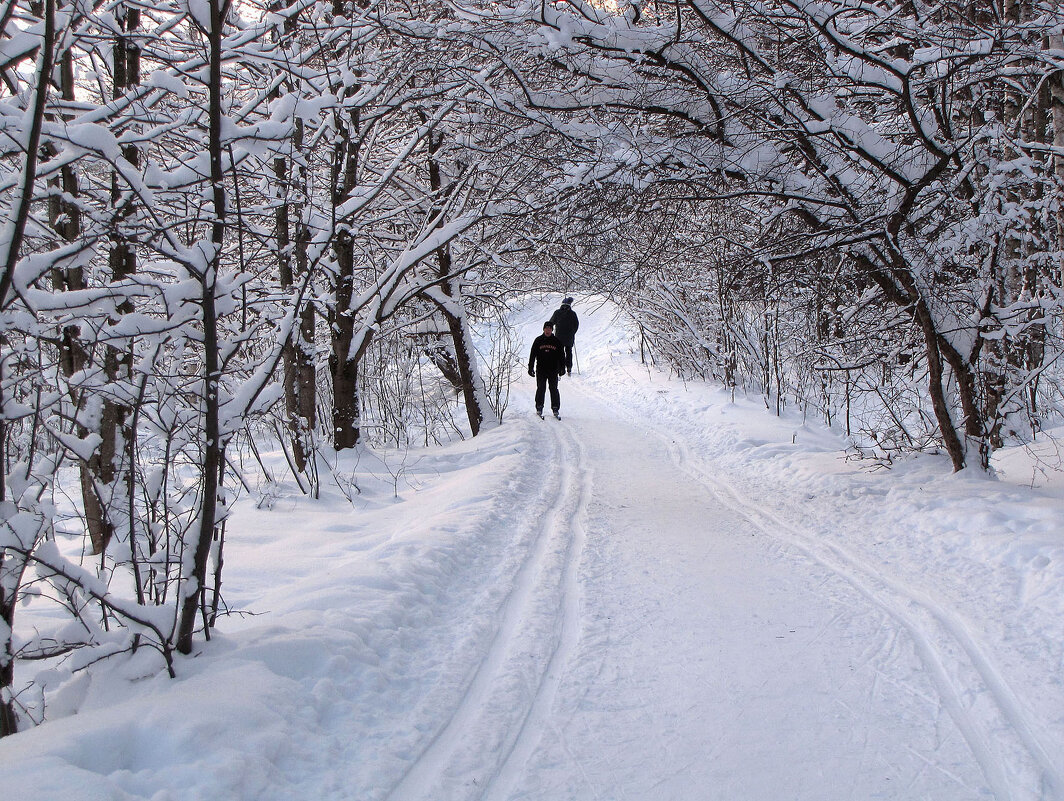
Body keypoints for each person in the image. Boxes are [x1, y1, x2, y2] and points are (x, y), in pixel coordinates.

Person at [528, 320, 565, 419]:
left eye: (549, 328)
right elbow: (532, 355)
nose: (548, 330)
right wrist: (530, 367)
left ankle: (555, 407)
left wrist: (562, 368)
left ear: (552, 330)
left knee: (553, 389)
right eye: (546, 328)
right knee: (541, 388)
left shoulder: (556, 341)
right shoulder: (538, 340)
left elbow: (562, 355)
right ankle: (539, 407)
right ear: (543, 329)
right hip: (541, 369)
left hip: (553, 369)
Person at [549, 297, 579, 376]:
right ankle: (569, 367)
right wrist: (573, 332)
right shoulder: (573, 314)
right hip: (569, 336)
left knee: (559, 352)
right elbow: (576, 325)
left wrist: (550, 331)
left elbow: (551, 323)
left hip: (559, 336)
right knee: (568, 351)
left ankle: (559, 368)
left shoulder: (557, 312)